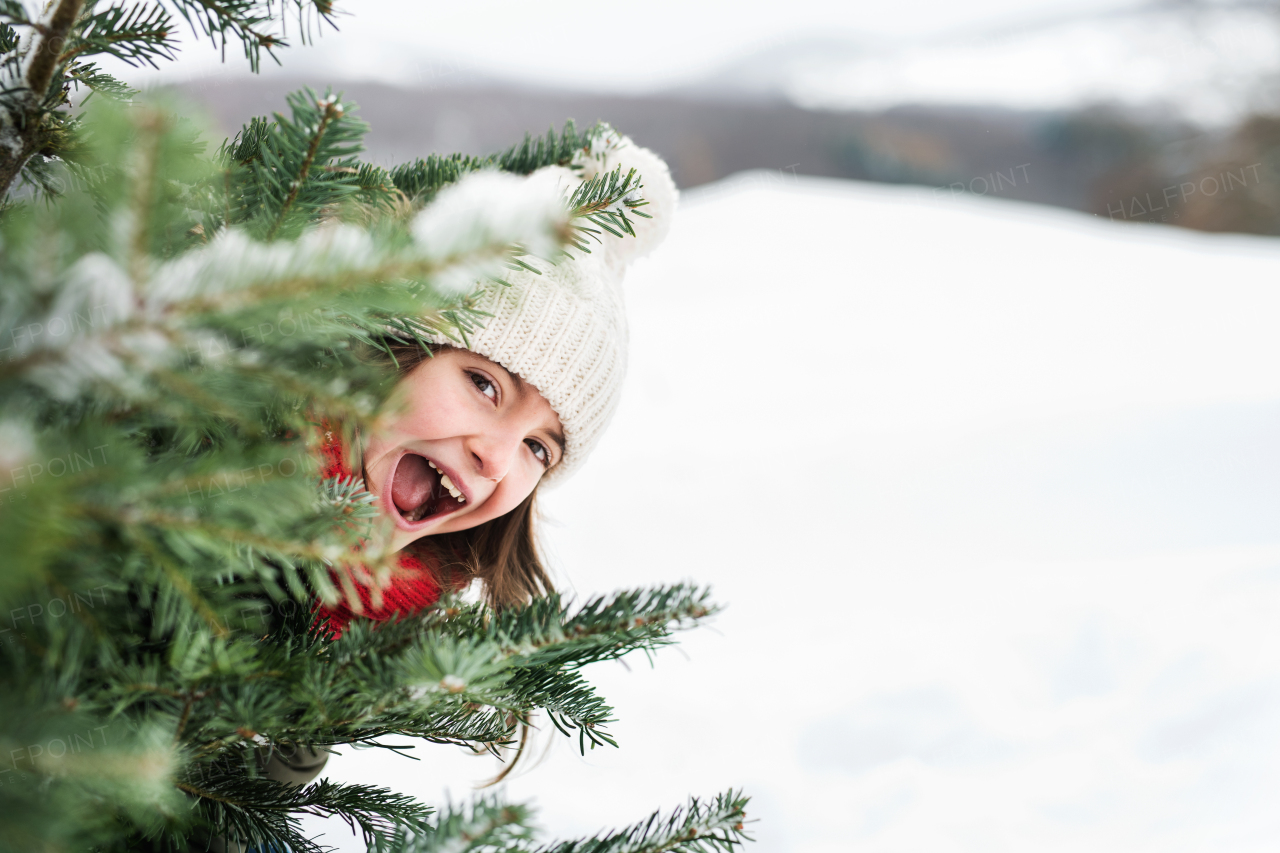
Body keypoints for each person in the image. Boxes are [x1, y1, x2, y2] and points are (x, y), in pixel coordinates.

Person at [310, 131, 678, 637]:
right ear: (393, 348)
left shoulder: (402, 654)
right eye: (485, 386)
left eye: (538, 448)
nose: (498, 460)